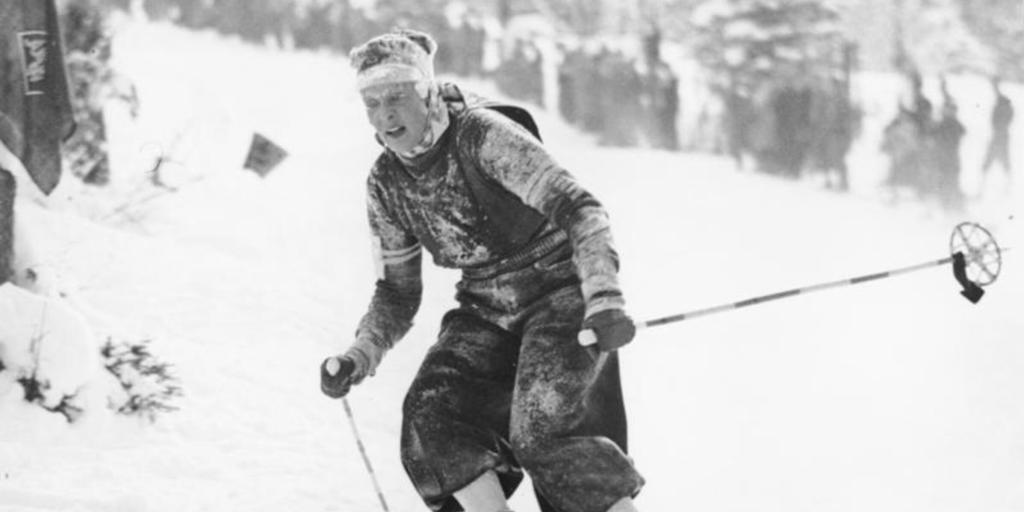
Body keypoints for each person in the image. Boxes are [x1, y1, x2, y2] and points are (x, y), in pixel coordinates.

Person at [319, 29, 644, 512]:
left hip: (558, 293)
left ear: (426, 91)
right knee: (432, 413)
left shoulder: (482, 136)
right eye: (371, 103)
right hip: (485, 308)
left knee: (543, 431)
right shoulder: (387, 182)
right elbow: (397, 292)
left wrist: (604, 297)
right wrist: (360, 353)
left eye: (396, 97)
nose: (385, 116)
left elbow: (581, 210)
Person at [981, 76, 1014, 178]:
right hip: (1001, 136)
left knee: (992, 160)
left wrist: (995, 85)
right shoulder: (1007, 108)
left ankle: (982, 187)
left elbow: (998, 95)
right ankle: (1007, 186)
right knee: (1002, 161)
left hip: (999, 136)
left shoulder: (1003, 106)